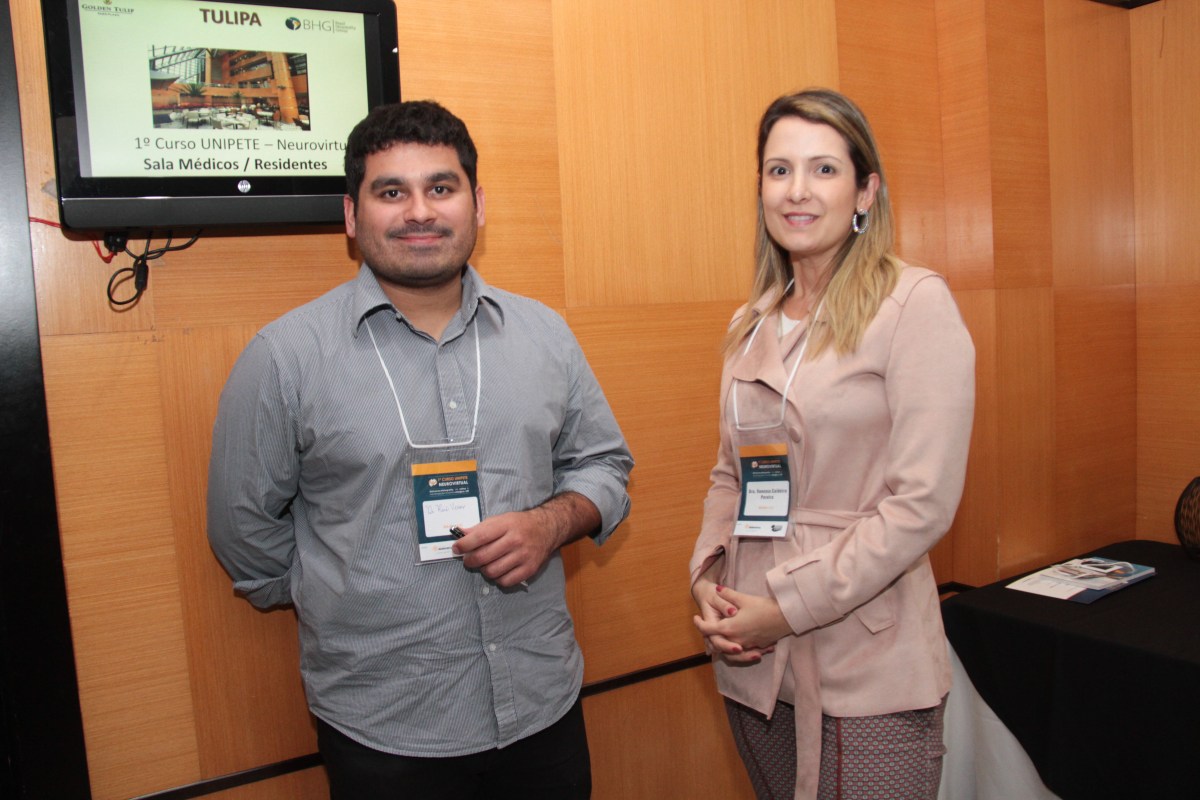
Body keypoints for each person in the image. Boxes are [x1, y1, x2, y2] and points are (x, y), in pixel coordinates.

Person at [207, 100, 633, 799]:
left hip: (542, 708)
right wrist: (340, 593)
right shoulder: (285, 358)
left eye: (441, 187)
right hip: (383, 729)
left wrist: (550, 524)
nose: (420, 212)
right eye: (390, 192)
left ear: (477, 204)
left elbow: (605, 464)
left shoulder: (545, 335)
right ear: (352, 216)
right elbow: (243, 530)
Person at [689, 88, 975, 800]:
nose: (797, 191)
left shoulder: (914, 304)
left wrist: (786, 609)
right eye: (779, 170)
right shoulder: (751, 321)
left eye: (823, 169)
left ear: (865, 191)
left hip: (866, 655)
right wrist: (706, 577)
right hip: (754, 651)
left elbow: (922, 504)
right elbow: (730, 476)